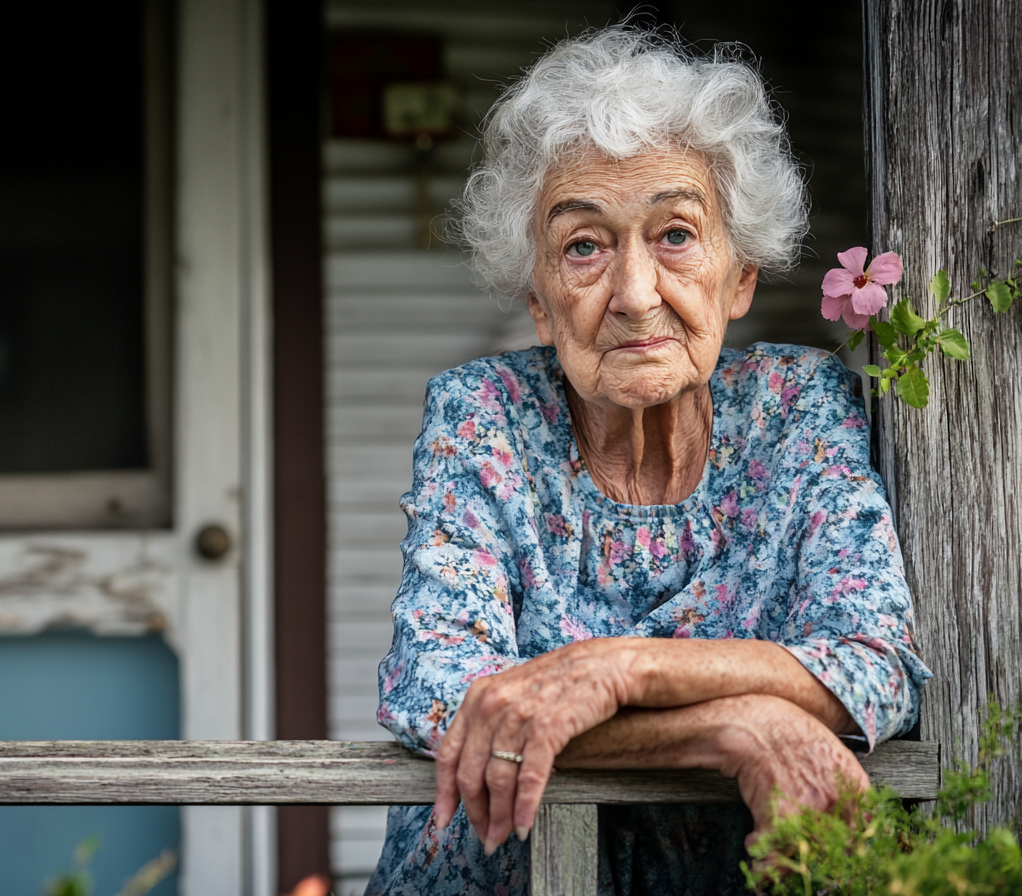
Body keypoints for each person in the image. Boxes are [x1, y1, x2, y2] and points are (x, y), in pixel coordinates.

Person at [367, 26, 930, 896]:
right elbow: (441, 695)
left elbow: (872, 662)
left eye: (674, 234)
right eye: (584, 246)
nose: (634, 296)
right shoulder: (483, 417)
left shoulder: (797, 407)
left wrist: (617, 672)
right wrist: (737, 726)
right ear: (541, 302)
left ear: (738, 277)